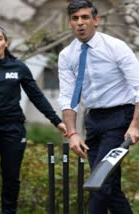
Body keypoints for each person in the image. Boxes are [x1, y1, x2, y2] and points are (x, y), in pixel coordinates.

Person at [58, 0, 139, 213]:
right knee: (109, 187)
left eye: (85, 17)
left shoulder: (115, 47)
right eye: (75, 19)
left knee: (99, 183)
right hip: (93, 120)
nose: (80, 23)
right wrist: (73, 132)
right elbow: (67, 97)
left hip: (120, 117)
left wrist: (135, 125)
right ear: (69, 23)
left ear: (96, 20)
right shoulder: (67, 55)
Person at [0, 26, 67, 214]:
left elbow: (36, 96)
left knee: (11, 177)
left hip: (13, 128)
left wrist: (56, 121)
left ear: (6, 42)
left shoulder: (18, 67)